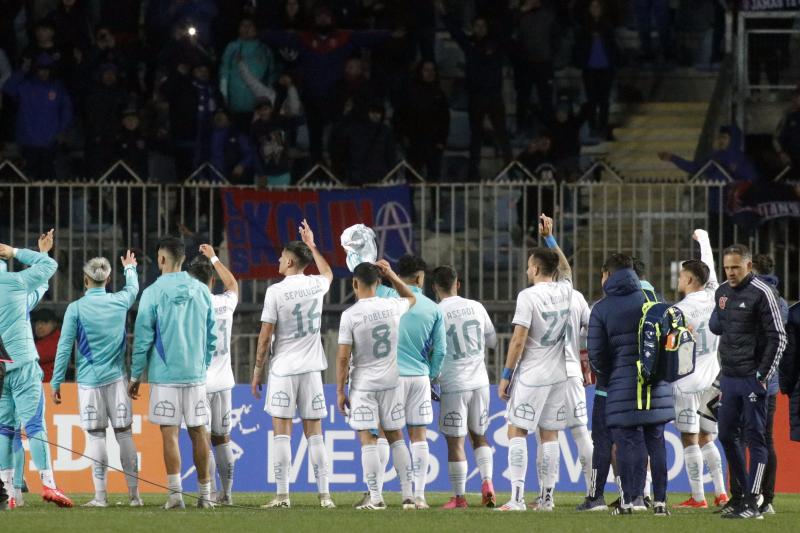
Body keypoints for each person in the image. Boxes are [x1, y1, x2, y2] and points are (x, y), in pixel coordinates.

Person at [250, 220, 334, 509]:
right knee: (315, 433)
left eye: (281, 256)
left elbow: (264, 337)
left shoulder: (275, 292)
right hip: (311, 369)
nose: (277, 259)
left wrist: (257, 371)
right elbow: (328, 272)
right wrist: (312, 244)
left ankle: (283, 495)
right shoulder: (315, 284)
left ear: (289, 260)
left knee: (282, 432)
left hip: (283, 369)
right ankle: (325, 496)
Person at [129, 236, 218, 509]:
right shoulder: (202, 290)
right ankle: (205, 495)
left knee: (170, 434)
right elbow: (211, 335)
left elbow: (143, 337)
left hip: (164, 374)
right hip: (194, 375)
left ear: (162, 259)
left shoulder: (153, 292)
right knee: (199, 432)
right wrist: (202, 365)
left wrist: (135, 375)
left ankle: (175, 495)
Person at [51, 252, 142, 507]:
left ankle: (100, 497)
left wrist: (56, 381)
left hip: (89, 383)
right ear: (109, 278)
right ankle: (134, 496)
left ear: (85, 279)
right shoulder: (120, 301)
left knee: (96, 437)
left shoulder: (76, 308)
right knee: (124, 435)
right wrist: (131, 268)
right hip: (117, 379)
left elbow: (64, 345)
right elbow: (133, 288)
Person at [496, 215, 573, 512]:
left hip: (532, 374)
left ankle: (516, 499)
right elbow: (566, 268)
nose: (527, 269)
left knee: (517, 430)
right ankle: (547, 499)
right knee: (549, 435)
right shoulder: (566, 289)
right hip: (558, 374)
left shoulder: (528, 296)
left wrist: (506, 375)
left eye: (529, 265)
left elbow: (518, 340)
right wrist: (550, 238)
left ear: (537, 269)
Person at [588, 253, 672, 516]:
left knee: (626, 442)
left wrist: (611, 374)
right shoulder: (655, 301)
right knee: (656, 441)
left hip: (621, 385)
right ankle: (659, 503)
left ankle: (629, 501)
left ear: (608, 275)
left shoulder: (602, 308)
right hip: (656, 385)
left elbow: (596, 355)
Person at [710, 244, 786, 519]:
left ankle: (754, 502)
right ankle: (742, 495)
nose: (730, 273)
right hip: (730, 378)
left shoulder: (763, 293)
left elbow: (779, 337)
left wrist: (762, 375)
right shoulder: (722, 292)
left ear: (749, 266)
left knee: (756, 439)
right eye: (727, 267)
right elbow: (719, 328)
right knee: (726, 435)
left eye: (736, 267)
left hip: (753, 379)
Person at [0, 230, 73, 508]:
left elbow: (35, 293)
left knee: (4, 430)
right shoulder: (14, 282)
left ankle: (10, 493)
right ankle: (49, 485)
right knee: (33, 426)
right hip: (23, 367)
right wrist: (18, 252)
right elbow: (49, 268)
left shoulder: (18, 291)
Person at [336, 261, 416, 510]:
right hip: (391, 382)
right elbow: (411, 296)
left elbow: (342, 357)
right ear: (379, 284)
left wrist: (340, 390)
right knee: (396, 437)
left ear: (354, 284)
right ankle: (409, 496)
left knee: (368, 439)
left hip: (364, 385)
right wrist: (392, 273)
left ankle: (376, 497)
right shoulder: (392, 305)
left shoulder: (350, 315)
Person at [374, 255, 446, 510]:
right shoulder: (432, 308)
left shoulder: (382, 296)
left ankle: (378, 495)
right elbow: (440, 351)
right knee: (419, 436)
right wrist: (431, 375)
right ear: (419, 278)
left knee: (384, 435)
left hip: (390, 377)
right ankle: (419, 496)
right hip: (419, 378)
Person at [431, 265, 497, 509]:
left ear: (435, 287)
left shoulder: (435, 313)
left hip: (453, 384)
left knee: (455, 442)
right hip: (480, 382)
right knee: (480, 436)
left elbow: (432, 350)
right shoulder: (476, 307)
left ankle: (459, 497)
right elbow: (491, 341)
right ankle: (488, 482)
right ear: (457, 283)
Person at [671, 229, 728, 509]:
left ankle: (698, 497)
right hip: (713, 379)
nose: (679, 279)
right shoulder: (716, 295)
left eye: (682, 275)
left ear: (691, 280)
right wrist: (704, 238)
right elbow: (710, 265)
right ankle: (721, 493)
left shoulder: (679, 310)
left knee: (690, 438)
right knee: (709, 437)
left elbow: (673, 350)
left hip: (687, 383)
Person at [539, 220, 595, 507]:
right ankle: (593, 493)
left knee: (547, 434)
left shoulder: (534, 296)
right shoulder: (575, 296)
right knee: (580, 431)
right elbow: (588, 330)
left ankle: (547, 497)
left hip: (545, 375)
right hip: (572, 372)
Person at [187, 244, 239, 505]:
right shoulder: (225, 303)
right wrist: (215, 258)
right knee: (222, 439)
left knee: (201, 439)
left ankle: (205, 495)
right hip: (224, 382)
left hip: (200, 382)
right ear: (212, 279)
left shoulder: (190, 307)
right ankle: (227, 495)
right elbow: (233, 284)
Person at [439, 3, 512, 180]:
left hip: (494, 95)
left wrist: (517, 10)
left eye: (482, 26)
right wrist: (444, 14)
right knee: (476, 137)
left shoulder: (497, 44)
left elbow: (509, 26)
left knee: (502, 133)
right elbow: (456, 33)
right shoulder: (470, 45)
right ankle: (473, 173)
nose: (480, 29)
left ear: (487, 27)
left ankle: (511, 168)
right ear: (473, 28)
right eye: (476, 26)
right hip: (477, 96)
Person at [746, 254, 789, 515]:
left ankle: (750, 496)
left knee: (750, 439)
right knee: (764, 439)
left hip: (751, 379)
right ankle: (765, 497)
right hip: (769, 383)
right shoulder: (781, 302)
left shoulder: (754, 298)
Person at [2, 53, 73, 181]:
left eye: (47, 69)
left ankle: (49, 202)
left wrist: (62, 130)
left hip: (50, 142)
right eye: (41, 68)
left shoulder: (58, 87)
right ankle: (30, 201)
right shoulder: (26, 86)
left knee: (48, 178)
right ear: (36, 69)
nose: (44, 72)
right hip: (29, 141)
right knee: (30, 179)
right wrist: (22, 71)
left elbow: (67, 110)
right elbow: (7, 88)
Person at [393, 61, 450, 182]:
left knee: (434, 179)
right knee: (412, 178)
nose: (430, 73)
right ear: (420, 72)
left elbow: (445, 120)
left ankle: (435, 201)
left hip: (434, 144)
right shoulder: (409, 93)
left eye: (432, 70)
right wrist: (402, 136)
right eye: (426, 70)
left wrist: (441, 141)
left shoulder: (439, 94)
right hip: (414, 143)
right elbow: (399, 115)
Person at [219, 16, 275, 129]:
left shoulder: (264, 49)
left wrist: (268, 103)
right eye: (243, 25)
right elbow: (224, 74)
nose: (246, 29)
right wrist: (224, 99)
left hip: (258, 106)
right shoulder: (232, 47)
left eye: (249, 25)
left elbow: (271, 75)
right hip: (235, 104)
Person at [658, 126, 759, 183]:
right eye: (720, 137)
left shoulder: (741, 159)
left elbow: (752, 179)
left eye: (724, 137)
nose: (721, 140)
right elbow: (696, 168)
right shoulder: (716, 156)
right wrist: (673, 158)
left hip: (732, 205)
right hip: (714, 205)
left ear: (733, 139)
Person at [31, 309, 61, 383]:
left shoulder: (57, 341)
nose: (39, 326)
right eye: (37, 323)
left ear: (54, 324)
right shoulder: (38, 340)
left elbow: (32, 356)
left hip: (48, 387)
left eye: (44, 323)